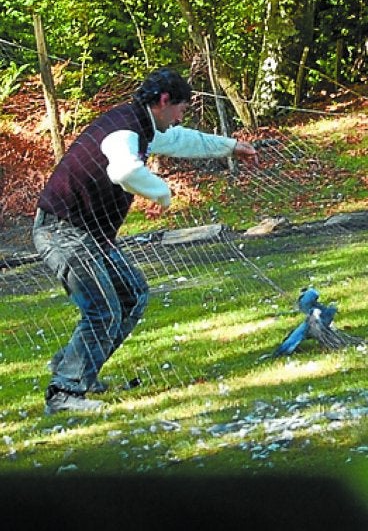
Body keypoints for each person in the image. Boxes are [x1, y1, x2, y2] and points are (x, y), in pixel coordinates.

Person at [32, 67, 257, 415]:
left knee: (132, 294)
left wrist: (229, 147)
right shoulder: (125, 130)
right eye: (181, 108)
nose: (181, 117)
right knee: (103, 309)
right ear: (164, 100)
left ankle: (74, 366)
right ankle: (63, 393)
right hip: (62, 230)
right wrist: (161, 192)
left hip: (89, 234)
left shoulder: (143, 125)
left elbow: (181, 140)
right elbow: (123, 171)